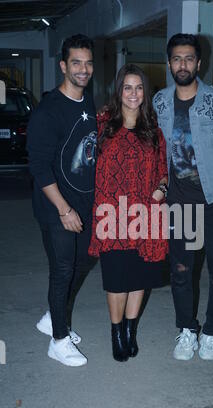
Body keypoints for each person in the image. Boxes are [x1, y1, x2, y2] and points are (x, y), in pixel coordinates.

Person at [153, 33, 213, 361]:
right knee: (181, 270)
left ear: (199, 63)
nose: (182, 64)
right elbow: (158, 151)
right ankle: (187, 330)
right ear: (169, 63)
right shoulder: (160, 102)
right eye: (177, 58)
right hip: (180, 204)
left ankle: (212, 332)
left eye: (189, 58)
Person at [88, 64, 168, 362]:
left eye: (138, 88)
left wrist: (162, 189)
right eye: (127, 87)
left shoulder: (153, 131)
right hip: (111, 216)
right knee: (116, 279)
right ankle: (116, 333)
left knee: (139, 278)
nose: (133, 93)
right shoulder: (102, 125)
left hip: (145, 216)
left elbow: (163, 172)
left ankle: (131, 332)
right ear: (119, 91)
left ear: (144, 92)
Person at [27, 34, 97, 367]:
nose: (83, 69)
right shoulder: (48, 111)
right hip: (57, 208)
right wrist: (64, 209)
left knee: (83, 263)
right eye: (76, 63)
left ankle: (51, 319)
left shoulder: (88, 102)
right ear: (63, 66)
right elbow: (39, 168)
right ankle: (58, 339)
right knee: (63, 270)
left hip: (84, 204)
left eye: (88, 62)